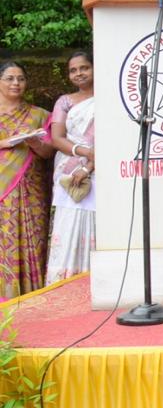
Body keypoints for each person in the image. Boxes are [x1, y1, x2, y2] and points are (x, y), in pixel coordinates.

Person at [0, 61, 54, 296]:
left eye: (20, 78)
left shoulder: (39, 115)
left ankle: (32, 293)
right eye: (10, 78)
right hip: (3, 189)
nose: (16, 83)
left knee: (33, 236)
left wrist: (34, 142)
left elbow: (48, 153)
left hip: (32, 189)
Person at [46, 51, 97, 283]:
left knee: (99, 222)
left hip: (100, 170)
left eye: (84, 67)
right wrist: (84, 153)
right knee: (67, 223)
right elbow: (57, 138)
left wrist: (89, 166)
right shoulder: (65, 101)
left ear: (95, 68)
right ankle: (63, 281)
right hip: (69, 168)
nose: (79, 73)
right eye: (73, 70)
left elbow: (115, 137)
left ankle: (95, 279)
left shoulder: (110, 97)